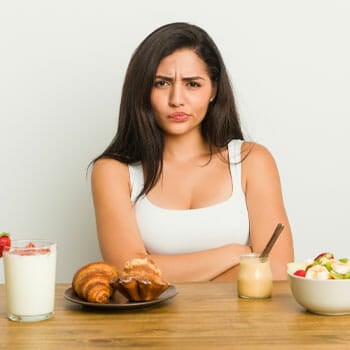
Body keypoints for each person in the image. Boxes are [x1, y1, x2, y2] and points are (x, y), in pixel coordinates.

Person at [91, 22, 294, 282]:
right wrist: (236, 255)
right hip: (149, 324)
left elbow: (277, 273)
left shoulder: (252, 161)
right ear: (142, 90)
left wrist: (158, 269)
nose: (177, 99)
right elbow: (129, 273)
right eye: (162, 83)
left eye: (193, 84)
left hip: (243, 323)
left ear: (214, 90)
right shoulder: (113, 172)